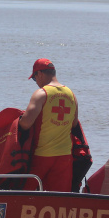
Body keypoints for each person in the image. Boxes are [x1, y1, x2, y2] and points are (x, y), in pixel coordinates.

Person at [19, 58, 79, 192]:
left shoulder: (41, 94)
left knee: (25, 195)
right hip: (64, 156)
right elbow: (74, 124)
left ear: (39, 74)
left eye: (34, 79)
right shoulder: (71, 95)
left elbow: (25, 124)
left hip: (42, 155)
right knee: (59, 199)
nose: (36, 83)